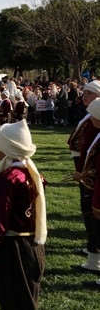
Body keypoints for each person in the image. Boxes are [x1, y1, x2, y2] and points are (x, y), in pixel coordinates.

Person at [0, 120, 47, 310]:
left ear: (7, 148)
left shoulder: (9, 178)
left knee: (16, 296)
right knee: (28, 293)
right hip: (34, 245)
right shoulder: (33, 174)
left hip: (15, 246)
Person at [68, 83, 100, 270]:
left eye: (89, 93)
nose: (84, 96)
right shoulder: (91, 116)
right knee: (89, 214)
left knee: (92, 212)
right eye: (84, 93)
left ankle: (94, 258)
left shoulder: (95, 120)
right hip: (86, 171)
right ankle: (93, 251)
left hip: (91, 176)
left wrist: (82, 172)